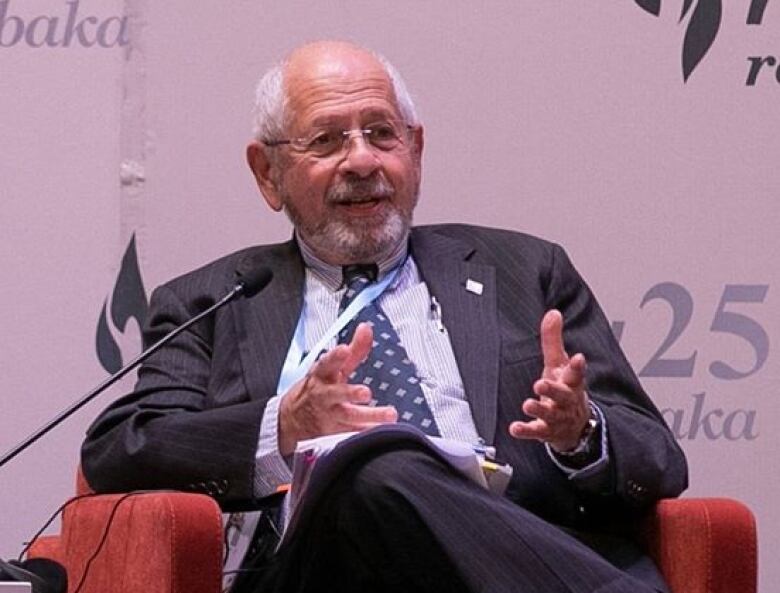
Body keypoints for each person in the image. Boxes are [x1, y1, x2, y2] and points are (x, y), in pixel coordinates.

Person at [81, 40, 688, 593]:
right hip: (315, 574)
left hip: (514, 555)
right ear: (268, 173)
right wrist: (283, 427)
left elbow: (658, 459)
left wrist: (580, 435)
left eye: (381, 133)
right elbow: (120, 449)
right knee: (369, 464)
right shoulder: (214, 300)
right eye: (325, 141)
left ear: (415, 151)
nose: (361, 161)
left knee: (379, 464)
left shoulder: (526, 271)